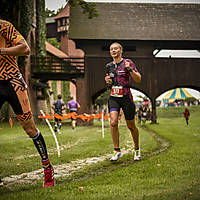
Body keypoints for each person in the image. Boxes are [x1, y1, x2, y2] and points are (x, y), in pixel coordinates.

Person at [0, 19, 54, 187]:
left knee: (29, 128)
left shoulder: (4, 26)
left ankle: (47, 168)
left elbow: (25, 49)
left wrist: (1, 51)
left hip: (12, 82)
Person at [105, 42, 142, 161]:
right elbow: (110, 84)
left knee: (131, 126)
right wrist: (108, 82)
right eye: (111, 49)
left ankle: (137, 150)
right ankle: (117, 150)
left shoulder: (128, 63)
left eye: (116, 49)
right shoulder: (109, 66)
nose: (113, 51)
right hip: (114, 97)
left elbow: (138, 79)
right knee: (113, 122)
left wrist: (130, 69)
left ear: (121, 51)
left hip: (126, 97)